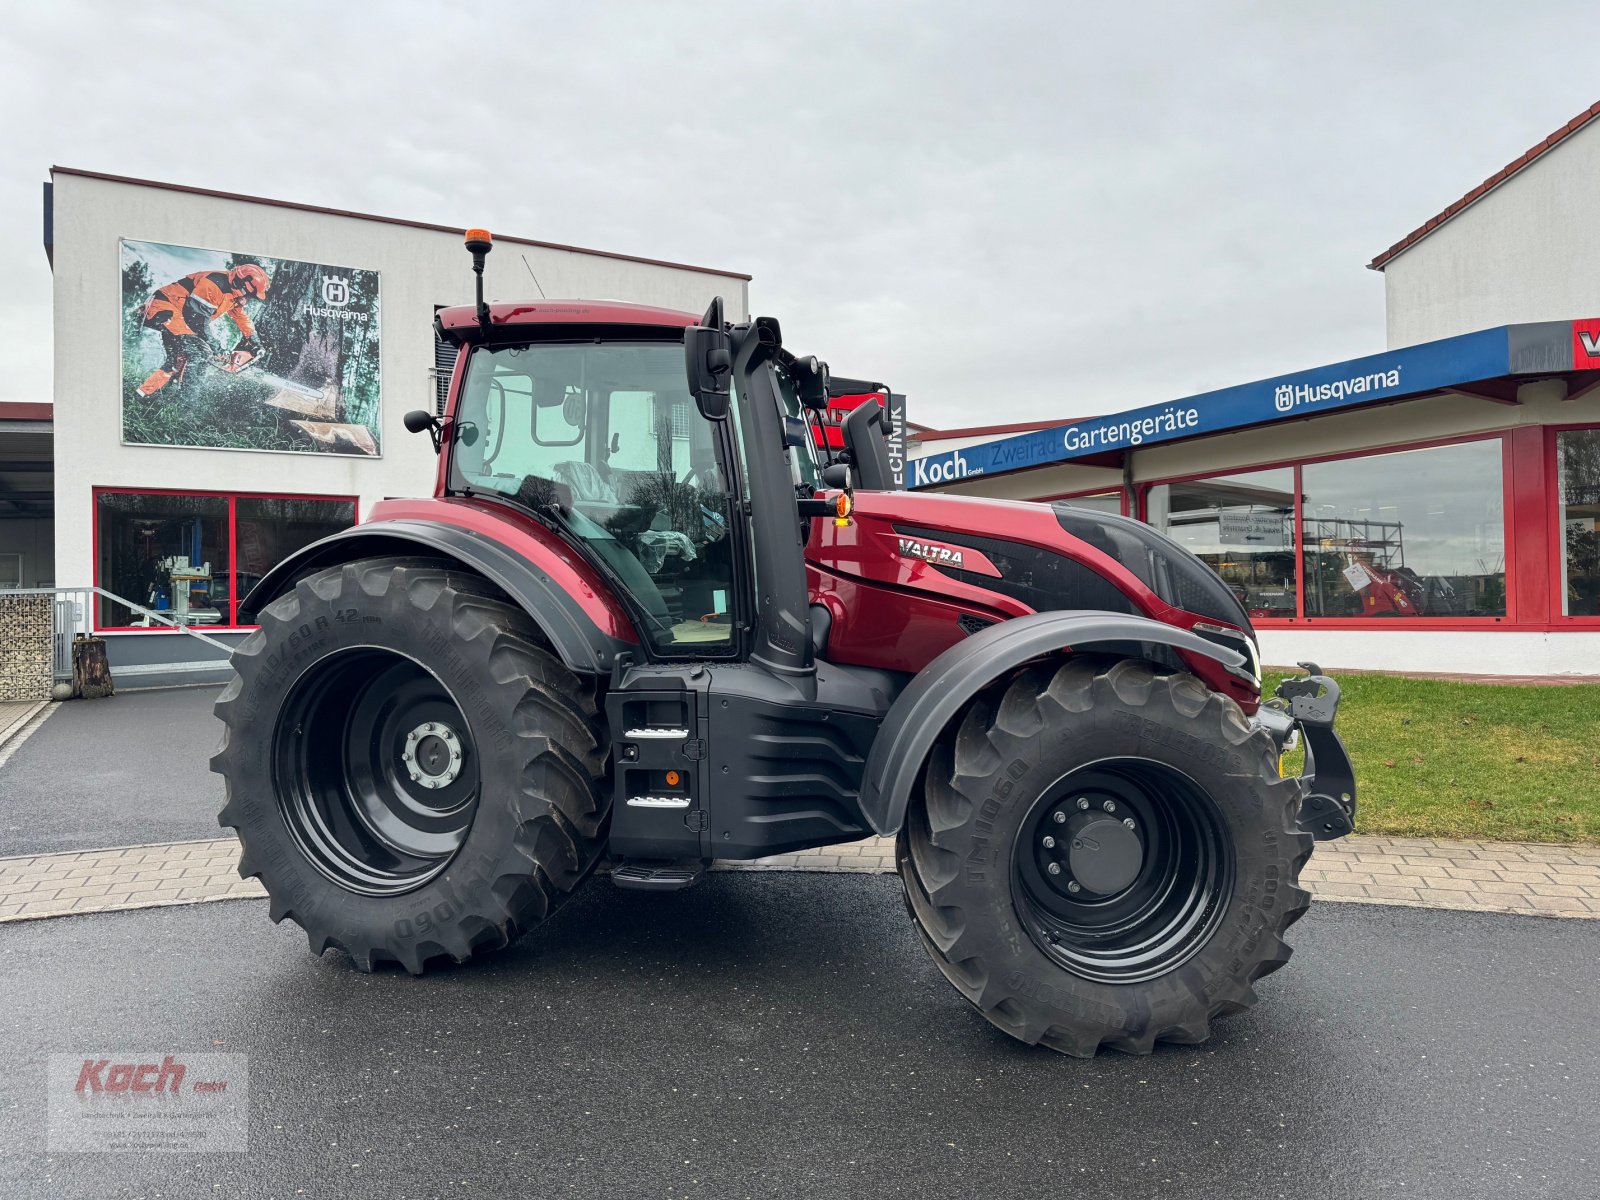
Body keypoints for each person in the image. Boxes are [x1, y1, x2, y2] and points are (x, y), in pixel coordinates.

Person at [136, 263, 271, 397]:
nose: (248, 300)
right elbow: (197, 320)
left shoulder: (234, 294)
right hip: (165, 308)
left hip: (181, 316)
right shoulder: (214, 285)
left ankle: (144, 394)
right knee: (198, 354)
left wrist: (254, 341)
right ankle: (186, 405)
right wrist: (217, 348)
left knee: (179, 358)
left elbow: (241, 317)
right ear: (244, 286)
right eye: (250, 296)